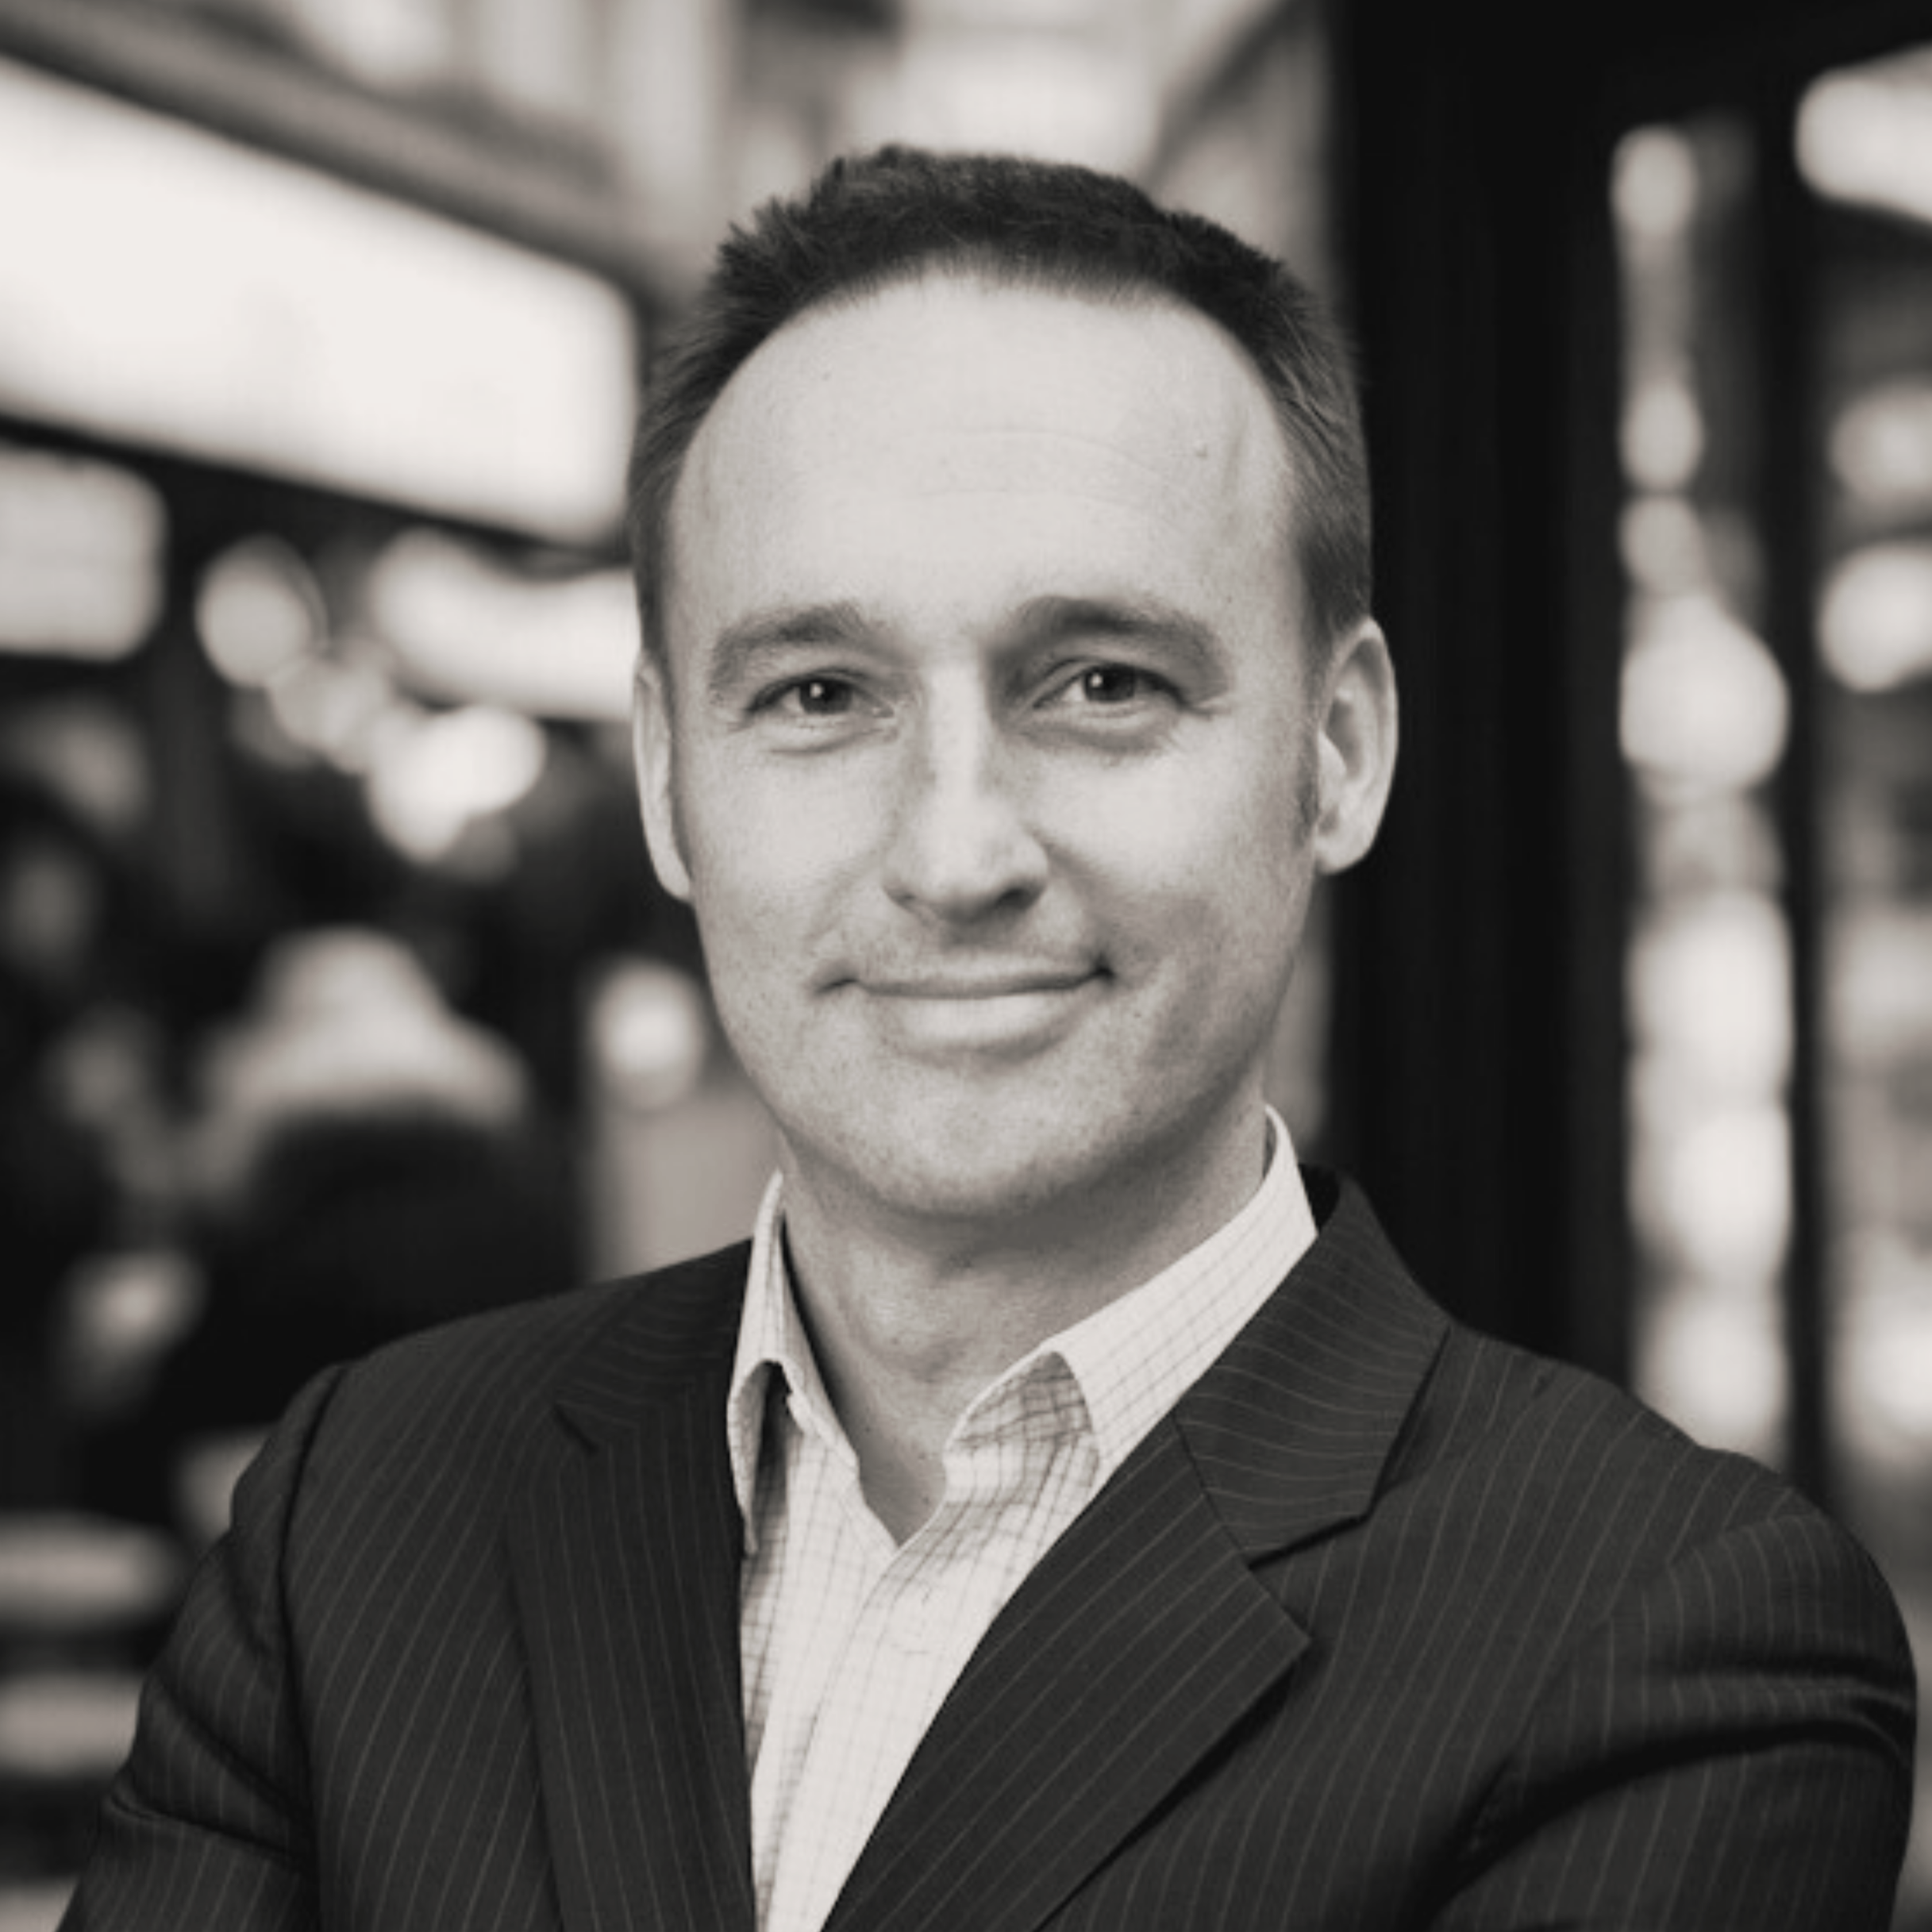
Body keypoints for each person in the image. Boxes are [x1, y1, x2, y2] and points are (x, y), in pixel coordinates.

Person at [64, 146, 1914, 1932]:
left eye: (1100, 682)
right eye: (817, 693)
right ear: (663, 782)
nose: (953, 855)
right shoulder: (366, 1501)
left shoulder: (1663, 1636)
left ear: (1336, 751)